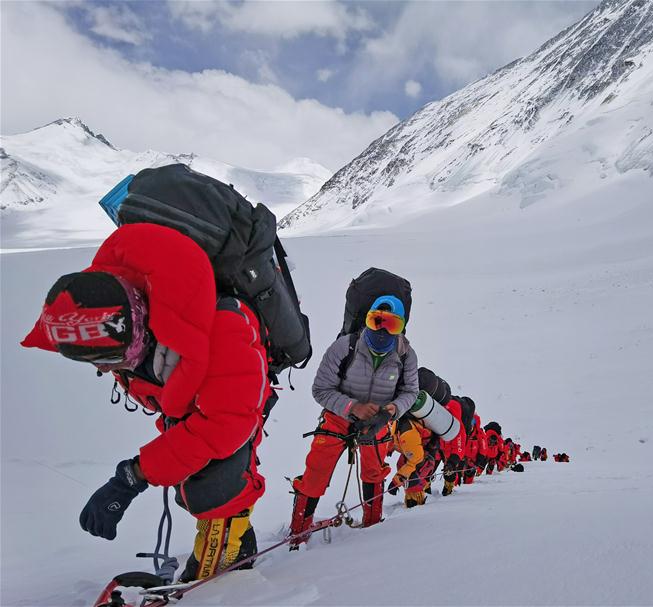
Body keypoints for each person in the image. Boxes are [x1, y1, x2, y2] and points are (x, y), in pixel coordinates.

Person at [21, 224, 271, 582]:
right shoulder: (137, 341)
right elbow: (174, 406)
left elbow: (224, 426)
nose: (104, 370)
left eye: (109, 359)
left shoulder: (224, 331)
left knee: (218, 486)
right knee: (190, 473)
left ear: (137, 327)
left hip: (235, 402)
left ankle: (226, 570)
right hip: (205, 400)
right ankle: (233, 544)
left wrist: (134, 475)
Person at [290, 295, 418, 546]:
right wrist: (353, 407)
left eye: (391, 325)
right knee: (316, 471)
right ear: (367, 320)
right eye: (376, 320)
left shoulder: (406, 355)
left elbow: (410, 393)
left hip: (378, 422)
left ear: (401, 327)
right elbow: (320, 389)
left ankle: (372, 529)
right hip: (338, 418)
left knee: (374, 472)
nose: (382, 329)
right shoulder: (344, 347)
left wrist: (392, 409)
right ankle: (298, 533)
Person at [388, 404, 437, 508]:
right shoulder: (397, 424)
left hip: (424, 458)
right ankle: (411, 499)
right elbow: (395, 440)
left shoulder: (407, 433)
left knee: (412, 474)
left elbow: (416, 460)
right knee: (402, 465)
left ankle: (417, 504)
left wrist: (395, 481)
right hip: (416, 451)